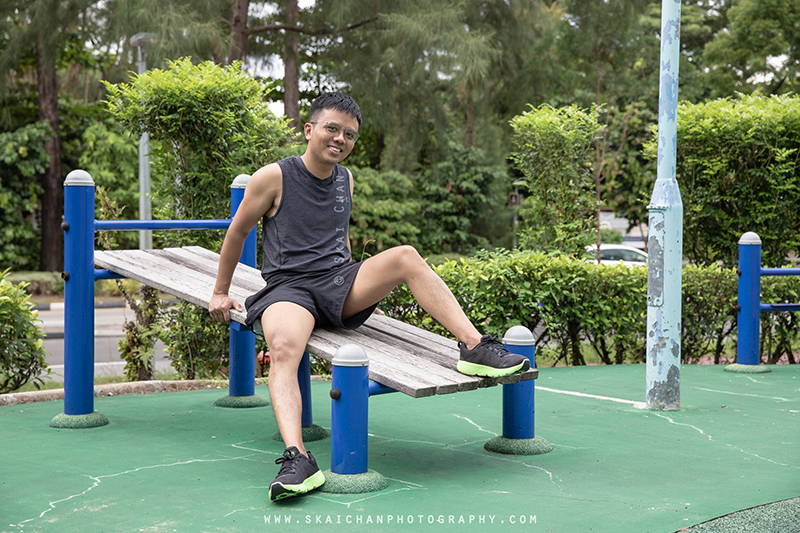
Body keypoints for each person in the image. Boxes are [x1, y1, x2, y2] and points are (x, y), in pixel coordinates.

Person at [208, 92, 530, 502]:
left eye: (350, 135)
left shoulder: (346, 178)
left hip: (338, 282)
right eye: (332, 128)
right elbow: (237, 232)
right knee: (286, 347)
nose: (340, 139)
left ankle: (474, 346)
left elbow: (338, 233)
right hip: (289, 289)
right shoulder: (273, 177)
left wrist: (349, 271)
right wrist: (220, 292)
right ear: (309, 130)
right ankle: (298, 458)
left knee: (406, 257)